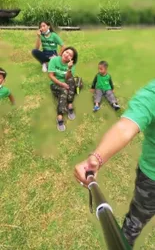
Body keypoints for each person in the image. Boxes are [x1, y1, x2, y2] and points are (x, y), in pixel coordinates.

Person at [74, 79, 155, 248]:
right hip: (151, 180)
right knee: (135, 222)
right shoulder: (152, 93)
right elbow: (125, 128)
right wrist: (97, 157)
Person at [48, 47, 78, 132]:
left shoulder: (71, 65)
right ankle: (60, 117)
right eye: (66, 52)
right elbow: (51, 75)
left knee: (71, 80)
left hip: (66, 82)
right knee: (64, 91)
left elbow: (67, 78)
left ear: (72, 58)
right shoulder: (54, 60)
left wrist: (69, 68)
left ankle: (69, 104)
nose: (67, 54)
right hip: (55, 84)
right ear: (63, 52)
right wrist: (61, 84)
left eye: (70, 55)